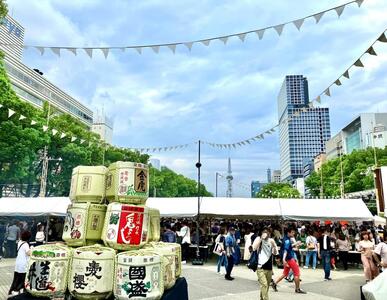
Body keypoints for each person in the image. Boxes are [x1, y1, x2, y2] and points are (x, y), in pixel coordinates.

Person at [274, 227, 306, 294]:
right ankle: (297, 289)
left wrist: (296, 244)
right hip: (289, 258)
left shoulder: (286, 239)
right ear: (288, 233)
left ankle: (274, 283)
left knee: (285, 273)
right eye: (292, 232)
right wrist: (283, 259)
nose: (293, 233)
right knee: (297, 273)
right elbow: (286, 250)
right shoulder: (287, 240)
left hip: (287, 259)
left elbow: (288, 247)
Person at [253, 228, 278, 300]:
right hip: (260, 267)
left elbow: (275, 253)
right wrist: (261, 239)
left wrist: (273, 246)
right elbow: (254, 248)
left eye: (267, 232)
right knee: (264, 284)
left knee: (266, 285)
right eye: (264, 232)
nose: (265, 234)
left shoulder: (271, 240)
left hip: (269, 267)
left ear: (269, 234)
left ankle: (262, 298)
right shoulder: (259, 240)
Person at [8, 231, 32, 296]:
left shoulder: (19, 242)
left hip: (18, 262)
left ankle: (13, 290)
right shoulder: (26, 244)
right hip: (23, 264)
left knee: (16, 277)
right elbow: (28, 253)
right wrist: (31, 249)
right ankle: (17, 290)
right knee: (22, 278)